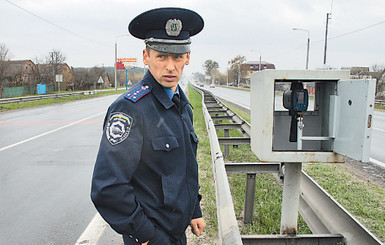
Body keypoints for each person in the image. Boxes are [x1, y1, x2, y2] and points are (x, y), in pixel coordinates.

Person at [91, 7, 205, 245]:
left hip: (176, 231)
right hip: (150, 236)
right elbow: (108, 188)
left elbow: (183, 167)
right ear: (146, 57)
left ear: (188, 58)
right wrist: (145, 234)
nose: (170, 66)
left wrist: (194, 209)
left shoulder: (182, 104)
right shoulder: (131, 109)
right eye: (161, 56)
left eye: (177, 57)